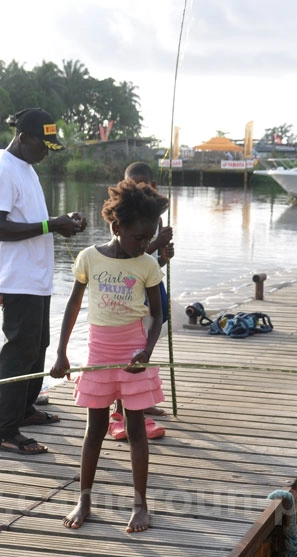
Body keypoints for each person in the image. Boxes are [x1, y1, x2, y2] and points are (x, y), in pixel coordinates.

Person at [51, 180, 167, 532]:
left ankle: (140, 504)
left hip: (133, 356)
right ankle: (83, 498)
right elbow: (72, 306)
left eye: (150, 239)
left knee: (136, 431)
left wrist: (146, 351)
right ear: (117, 228)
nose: (145, 245)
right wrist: (61, 353)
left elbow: (157, 314)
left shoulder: (147, 264)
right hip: (98, 355)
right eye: (139, 238)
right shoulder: (90, 258)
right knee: (95, 429)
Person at [0, 108, 87, 455]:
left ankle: (25, 410)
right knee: (18, 353)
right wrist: (51, 225)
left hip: (37, 278)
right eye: (42, 146)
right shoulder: (1, 170)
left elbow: (33, 220)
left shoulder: (26, 169)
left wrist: (63, 222)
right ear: (23, 138)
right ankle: (4, 431)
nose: (45, 153)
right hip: (18, 279)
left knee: (37, 347)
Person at [117, 161, 175, 429]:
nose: (139, 189)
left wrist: (164, 255)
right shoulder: (122, 216)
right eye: (133, 183)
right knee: (130, 346)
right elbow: (131, 255)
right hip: (131, 287)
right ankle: (121, 405)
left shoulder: (155, 215)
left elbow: (151, 259)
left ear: (153, 186)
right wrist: (157, 243)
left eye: (144, 184)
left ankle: (140, 399)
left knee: (147, 339)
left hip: (151, 282)